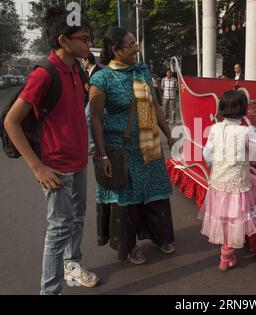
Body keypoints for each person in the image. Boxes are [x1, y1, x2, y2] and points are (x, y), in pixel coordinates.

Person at [4, 6, 99, 295]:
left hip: (78, 162)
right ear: (63, 40)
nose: (88, 43)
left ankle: (72, 266)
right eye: (83, 38)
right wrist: (37, 167)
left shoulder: (77, 71)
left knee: (77, 218)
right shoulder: (44, 74)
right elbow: (11, 121)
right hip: (55, 167)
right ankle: (50, 291)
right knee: (58, 229)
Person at [89, 27, 176, 265]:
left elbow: (155, 105)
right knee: (127, 199)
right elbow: (94, 117)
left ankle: (161, 237)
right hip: (121, 149)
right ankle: (130, 247)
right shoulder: (102, 78)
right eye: (130, 45)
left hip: (148, 147)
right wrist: (102, 154)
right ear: (115, 50)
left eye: (136, 43)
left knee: (155, 193)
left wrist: (168, 134)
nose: (136, 48)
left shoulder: (143, 71)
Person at [200, 89, 256, 271]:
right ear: (244, 110)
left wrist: (215, 165)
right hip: (237, 184)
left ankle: (226, 255)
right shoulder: (246, 131)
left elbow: (206, 153)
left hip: (218, 183)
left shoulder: (215, 128)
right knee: (236, 217)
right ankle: (226, 256)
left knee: (224, 218)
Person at [82, 52, 102, 154]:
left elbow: (99, 87)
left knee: (87, 117)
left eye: (83, 60)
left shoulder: (98, 71)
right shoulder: (87, 72)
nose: (82, 62)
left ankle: (92, 144)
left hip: (96, 99)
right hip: (89, 99)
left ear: (87, 60)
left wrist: (89, 89)